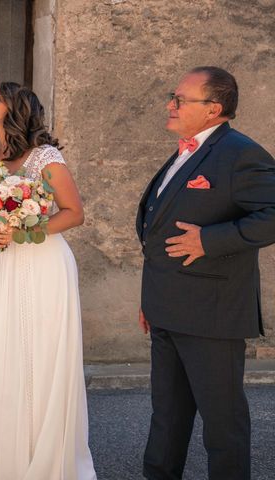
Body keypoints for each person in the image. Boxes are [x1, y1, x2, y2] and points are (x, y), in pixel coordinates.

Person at [0, 82, 97, 479]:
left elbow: (74, 212)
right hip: (3, 267)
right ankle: (1, 460)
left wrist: (26, 230)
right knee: (1, 352)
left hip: (43, 264)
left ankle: (42, 458)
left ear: (15, 109)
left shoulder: (44, 156)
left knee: (40, 355)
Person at [137, 66, 275, 479]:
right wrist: (150, 301)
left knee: (223, 424)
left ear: (213, 109)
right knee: (167, 417)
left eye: (180, 99)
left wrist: (210, 240)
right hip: (167, 310)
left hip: (212, 315)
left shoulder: (239, 153)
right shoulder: (188, 151)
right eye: (173, 97)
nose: (171, 105)